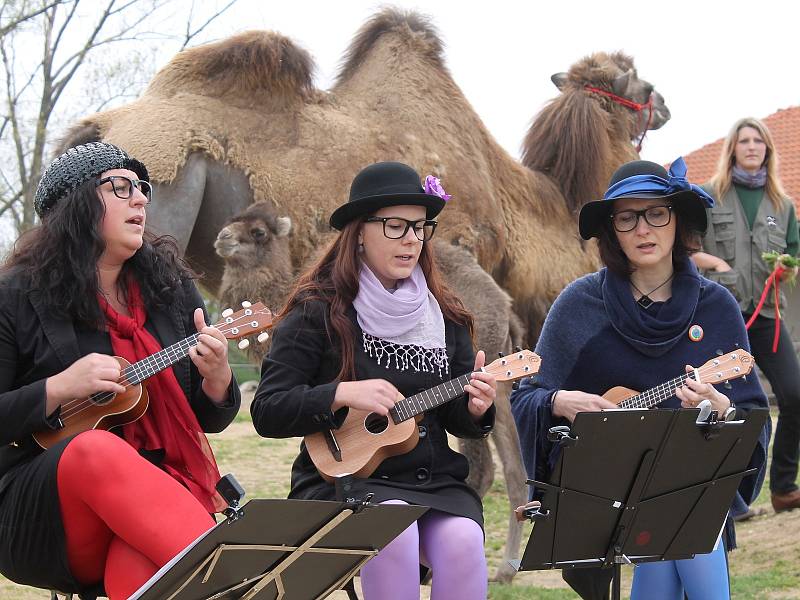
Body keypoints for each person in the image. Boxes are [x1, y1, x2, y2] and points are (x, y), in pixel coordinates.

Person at [510, 158, 769, 600]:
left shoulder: (717, 307)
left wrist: (721, 408)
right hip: (601, 495)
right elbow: (526, 397)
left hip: (687, 491)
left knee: (679, 507)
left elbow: (750, 418)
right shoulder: (579, 305)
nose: (643, 229)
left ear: (677, 220)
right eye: (627, 217)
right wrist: (561, 402)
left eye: (656, 213)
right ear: (612, 229)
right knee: (675, 520)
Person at [0, 142, 241, 599]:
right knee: (93, 450)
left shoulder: (169, 292)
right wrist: (57, 389)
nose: (141, 199)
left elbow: (206, 420)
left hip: (159, 494)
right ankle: (236, 584)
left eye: (142, 188)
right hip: (43, 513)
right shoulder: (14, 296)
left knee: (143, 571)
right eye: (122, 187)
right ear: (77, 204)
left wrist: (218, 379)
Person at [251, 161, 497, 600]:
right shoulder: (317, 311)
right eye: (396, 226)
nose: (411, 240)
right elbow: (268, 410)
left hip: (432, 481)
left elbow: (457, 418)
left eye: (421, 228)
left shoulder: (447, 315)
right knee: (393, 530)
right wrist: (341, 392)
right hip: (343, 483)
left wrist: (477, 407)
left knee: (463, 541)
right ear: (359, 232)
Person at [692, 117, 800, 514]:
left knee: (795, 395)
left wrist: (786, 266)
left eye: (759, 141)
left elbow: (793, 252)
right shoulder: (709, 195)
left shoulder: (782, 205)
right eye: (744, 141)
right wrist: (716, 265)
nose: (752, 147)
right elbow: (686, 248)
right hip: (724, 317)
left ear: (768, 149)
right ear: (733, 149)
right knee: (724, 404)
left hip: (768, 317)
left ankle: (784, 487)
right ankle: (731, 499)